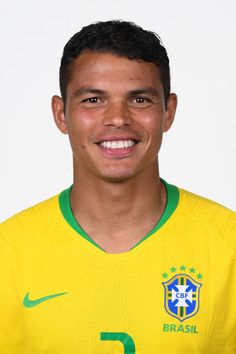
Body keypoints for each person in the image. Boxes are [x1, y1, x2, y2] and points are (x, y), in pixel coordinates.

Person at [0, 20, 235, 354]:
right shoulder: (7, 255)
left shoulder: (228, 248)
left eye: (139, 100)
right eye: (93, 100)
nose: (118, 118)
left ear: (168, 111)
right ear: (61, 114)